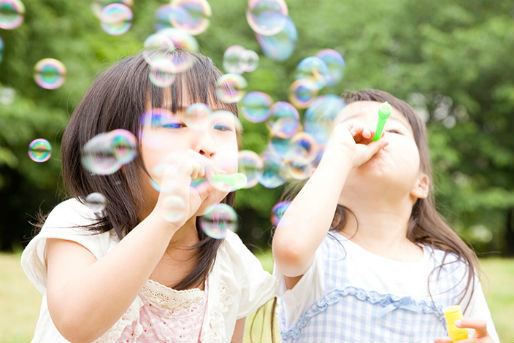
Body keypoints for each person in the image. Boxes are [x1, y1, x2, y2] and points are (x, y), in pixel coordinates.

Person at [21, 50, 274, 343]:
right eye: (177, 124)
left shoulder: (231, 258)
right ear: (115, 149)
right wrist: (166, 217)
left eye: (221, 127)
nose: (206, 145)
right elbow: (77, 324)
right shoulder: (80, 224)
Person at [272, 89, 499, 343]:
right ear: (323, 173)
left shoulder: (451, 272)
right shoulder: (317, 251)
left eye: (394, 131)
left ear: (421, 183)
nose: (372, 133)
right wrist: (341, 155)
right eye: (349, 130)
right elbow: (290, 249)